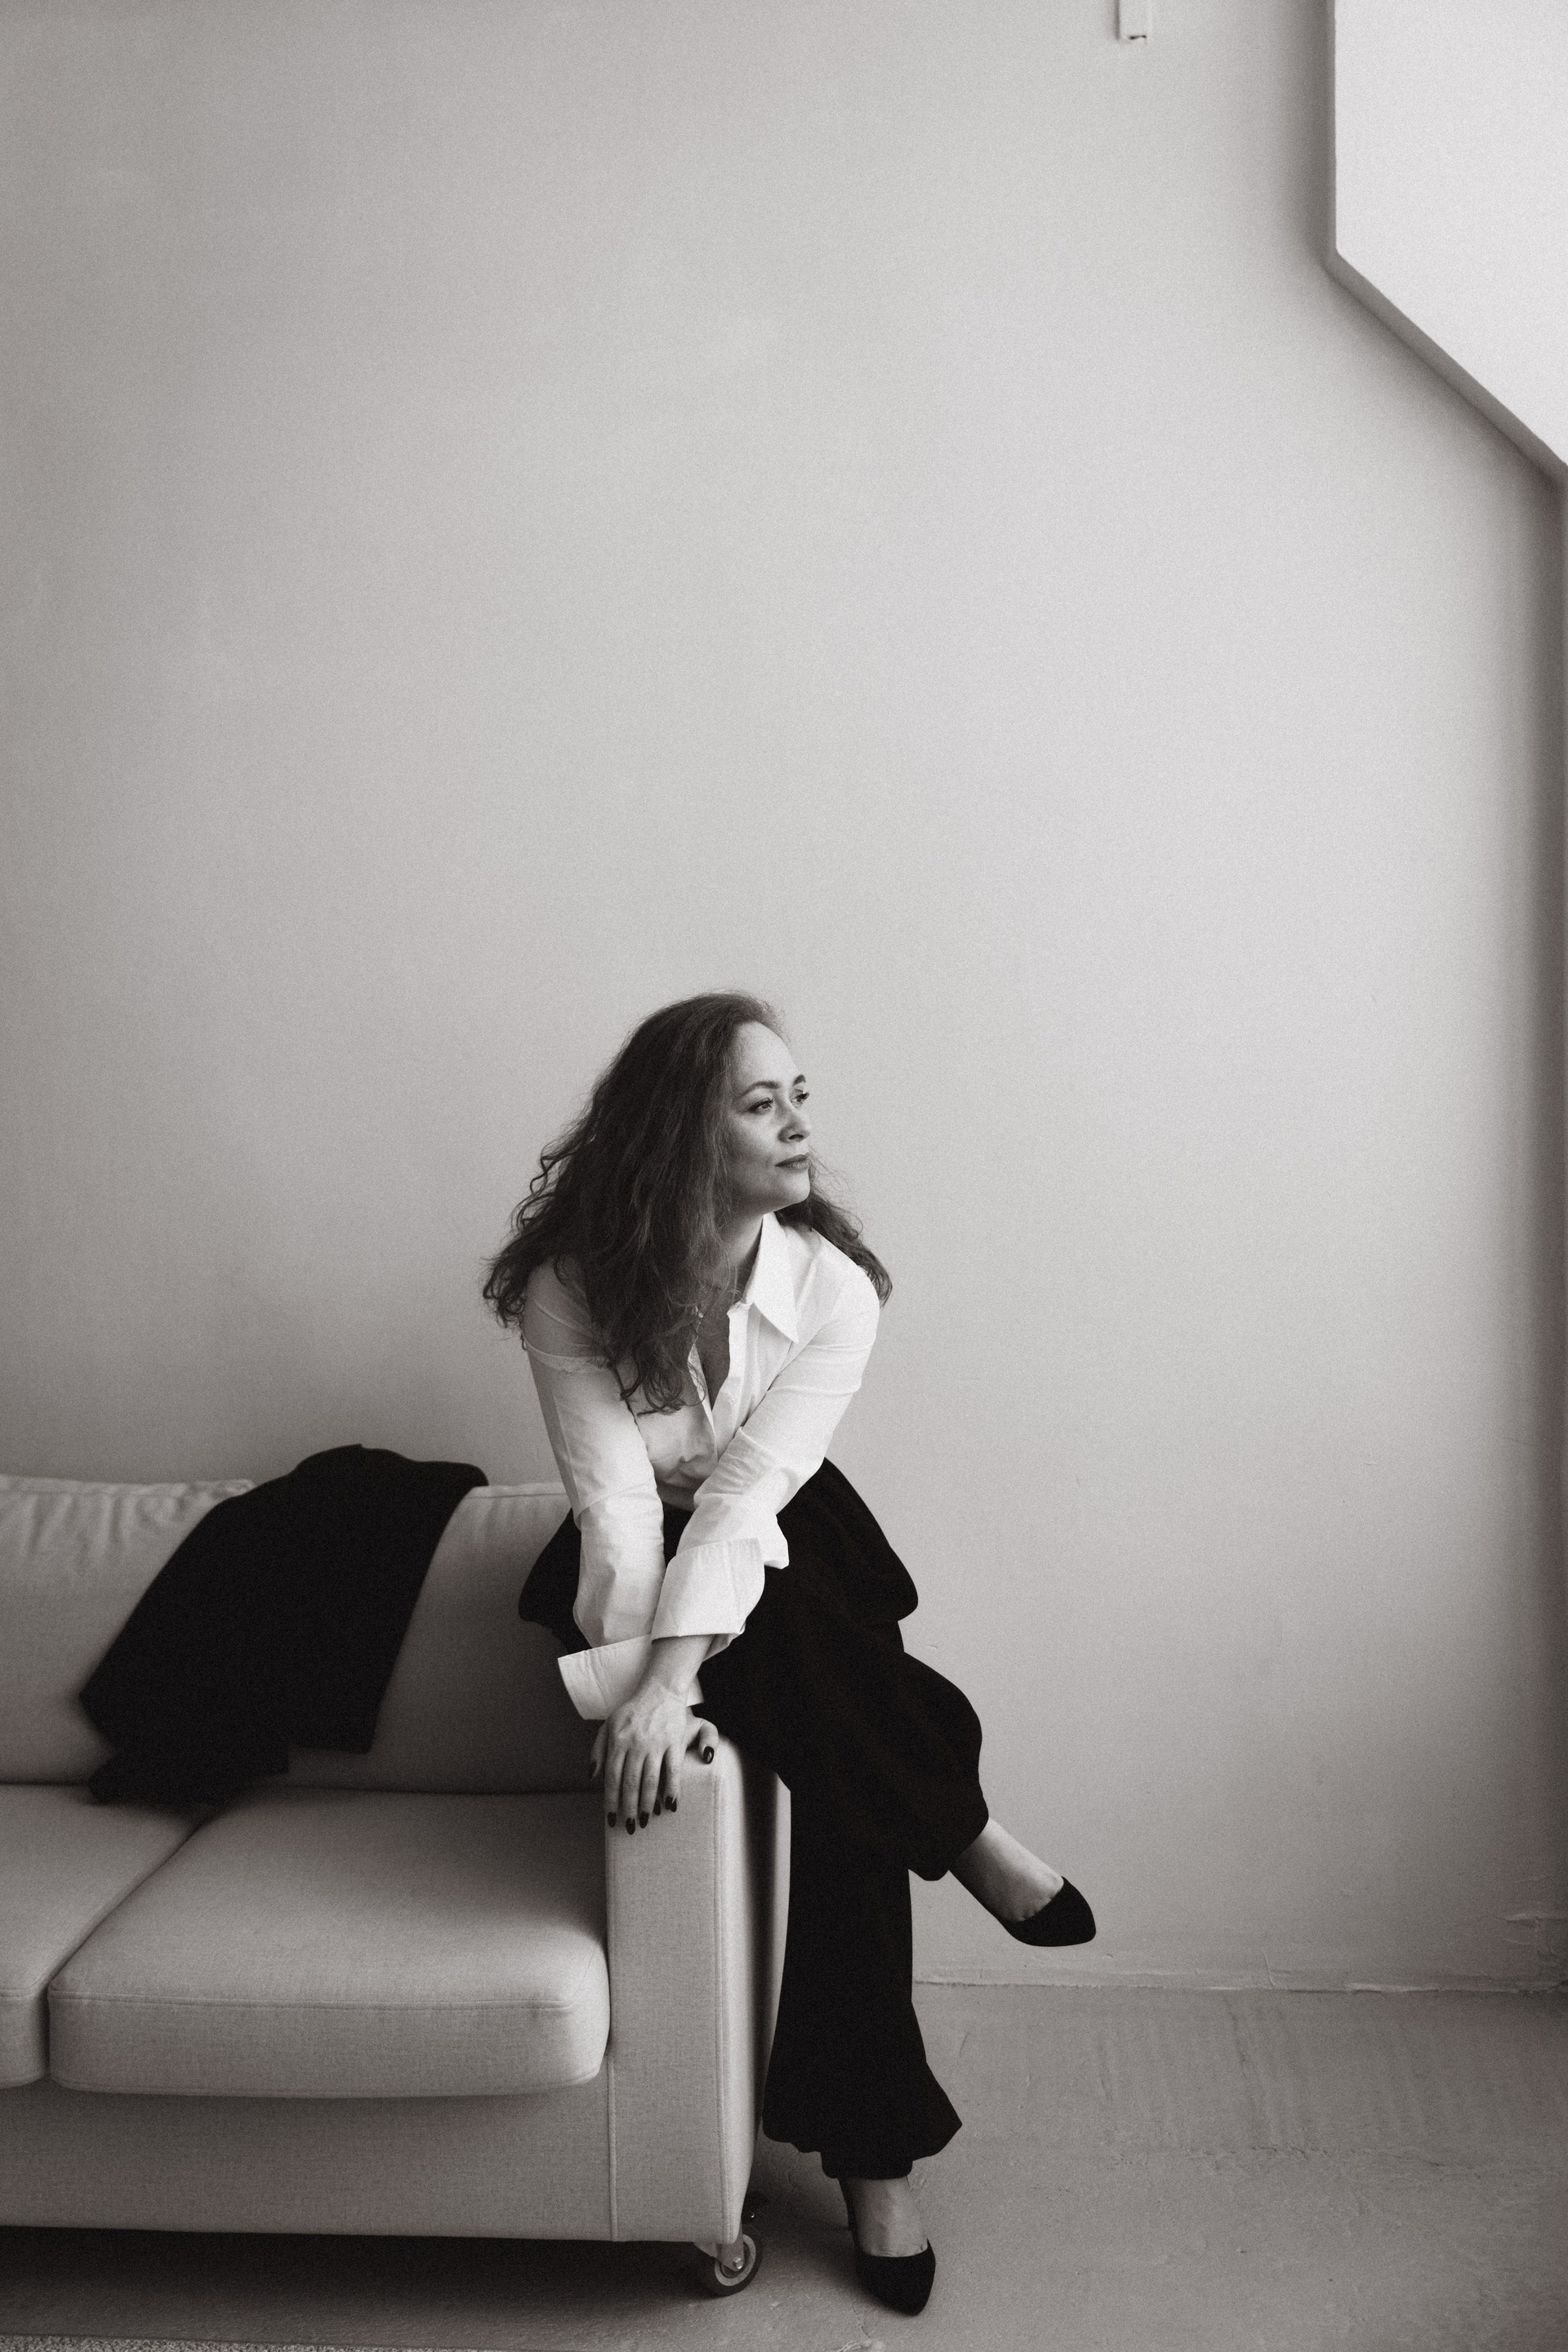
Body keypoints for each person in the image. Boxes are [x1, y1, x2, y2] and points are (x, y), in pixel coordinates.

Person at [482, 991, 1094, 2316]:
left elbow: (752, 1495)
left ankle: (880, 2137)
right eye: (763, 1105)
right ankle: (955, 1843)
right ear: (680, 1136)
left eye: (799, 1095)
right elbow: (618, 1508)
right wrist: (649, 1677)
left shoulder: (833, 1288)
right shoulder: (572, 1287)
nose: (801, 1123)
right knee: (860, 1740)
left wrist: (674, 1686)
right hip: (639, 1561)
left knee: (831, 1725)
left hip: (789, 1539)